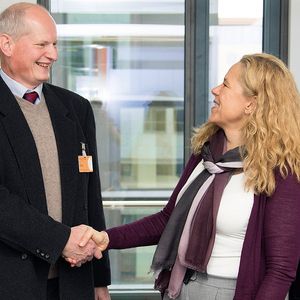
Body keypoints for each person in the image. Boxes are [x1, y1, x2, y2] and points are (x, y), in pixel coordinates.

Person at [82, 53, 300, 300]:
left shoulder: (281, 170)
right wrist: (107, 238)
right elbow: (168, 219)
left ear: (251, 103)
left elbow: (281, 269)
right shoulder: (206, 152)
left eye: (226, 84)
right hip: (181, 286)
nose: (215, 90)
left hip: (229, 292)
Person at [0, 2, 111, 299]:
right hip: (11, 285)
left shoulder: (75, 108)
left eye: (55, 44)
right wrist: (61, 240)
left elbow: (91, 197)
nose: (53, 54)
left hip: (73, 283)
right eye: (42, 44)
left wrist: (100, 280)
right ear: (6, 44)